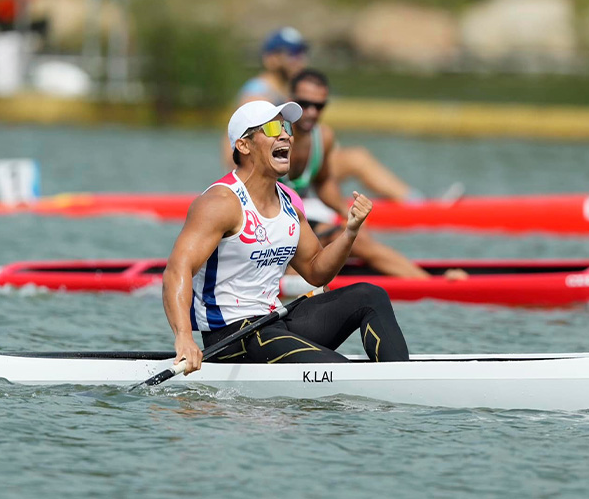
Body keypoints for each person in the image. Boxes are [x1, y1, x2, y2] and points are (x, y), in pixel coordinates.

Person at [165, 100, 410, 373]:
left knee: (370, 295)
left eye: (286, 127)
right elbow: (177, 271)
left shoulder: (290, 202)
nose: (285, 135)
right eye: (271, 128)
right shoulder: (220, 203)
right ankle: (385, 382)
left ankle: (401, 379)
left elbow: (317, 271)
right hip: (231, 337)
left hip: (273, 322)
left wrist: (350, 231)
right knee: (338, 371)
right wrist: (184, 338)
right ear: (244, 146)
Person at [222, 28, 455, 203]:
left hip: (292, 171)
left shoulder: (288, 89)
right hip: (272, 179)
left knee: (353, 156)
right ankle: (418, 206)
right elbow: (234, 152)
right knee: (357, 159)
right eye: (292, 53)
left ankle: (410, 202)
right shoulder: (257, 95)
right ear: (270, 58)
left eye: (303, 51)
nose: (300, 59)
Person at [282, 69, 466, 280]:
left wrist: (346, 212)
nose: (312, 112)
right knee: (319, 252)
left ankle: (429, 283)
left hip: (295, 224)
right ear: (290, 102)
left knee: (357, 237)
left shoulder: (323, 137)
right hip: (266, 229)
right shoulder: (274, 136)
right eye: (304, 104)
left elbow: (323, 183)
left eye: (319, 106)